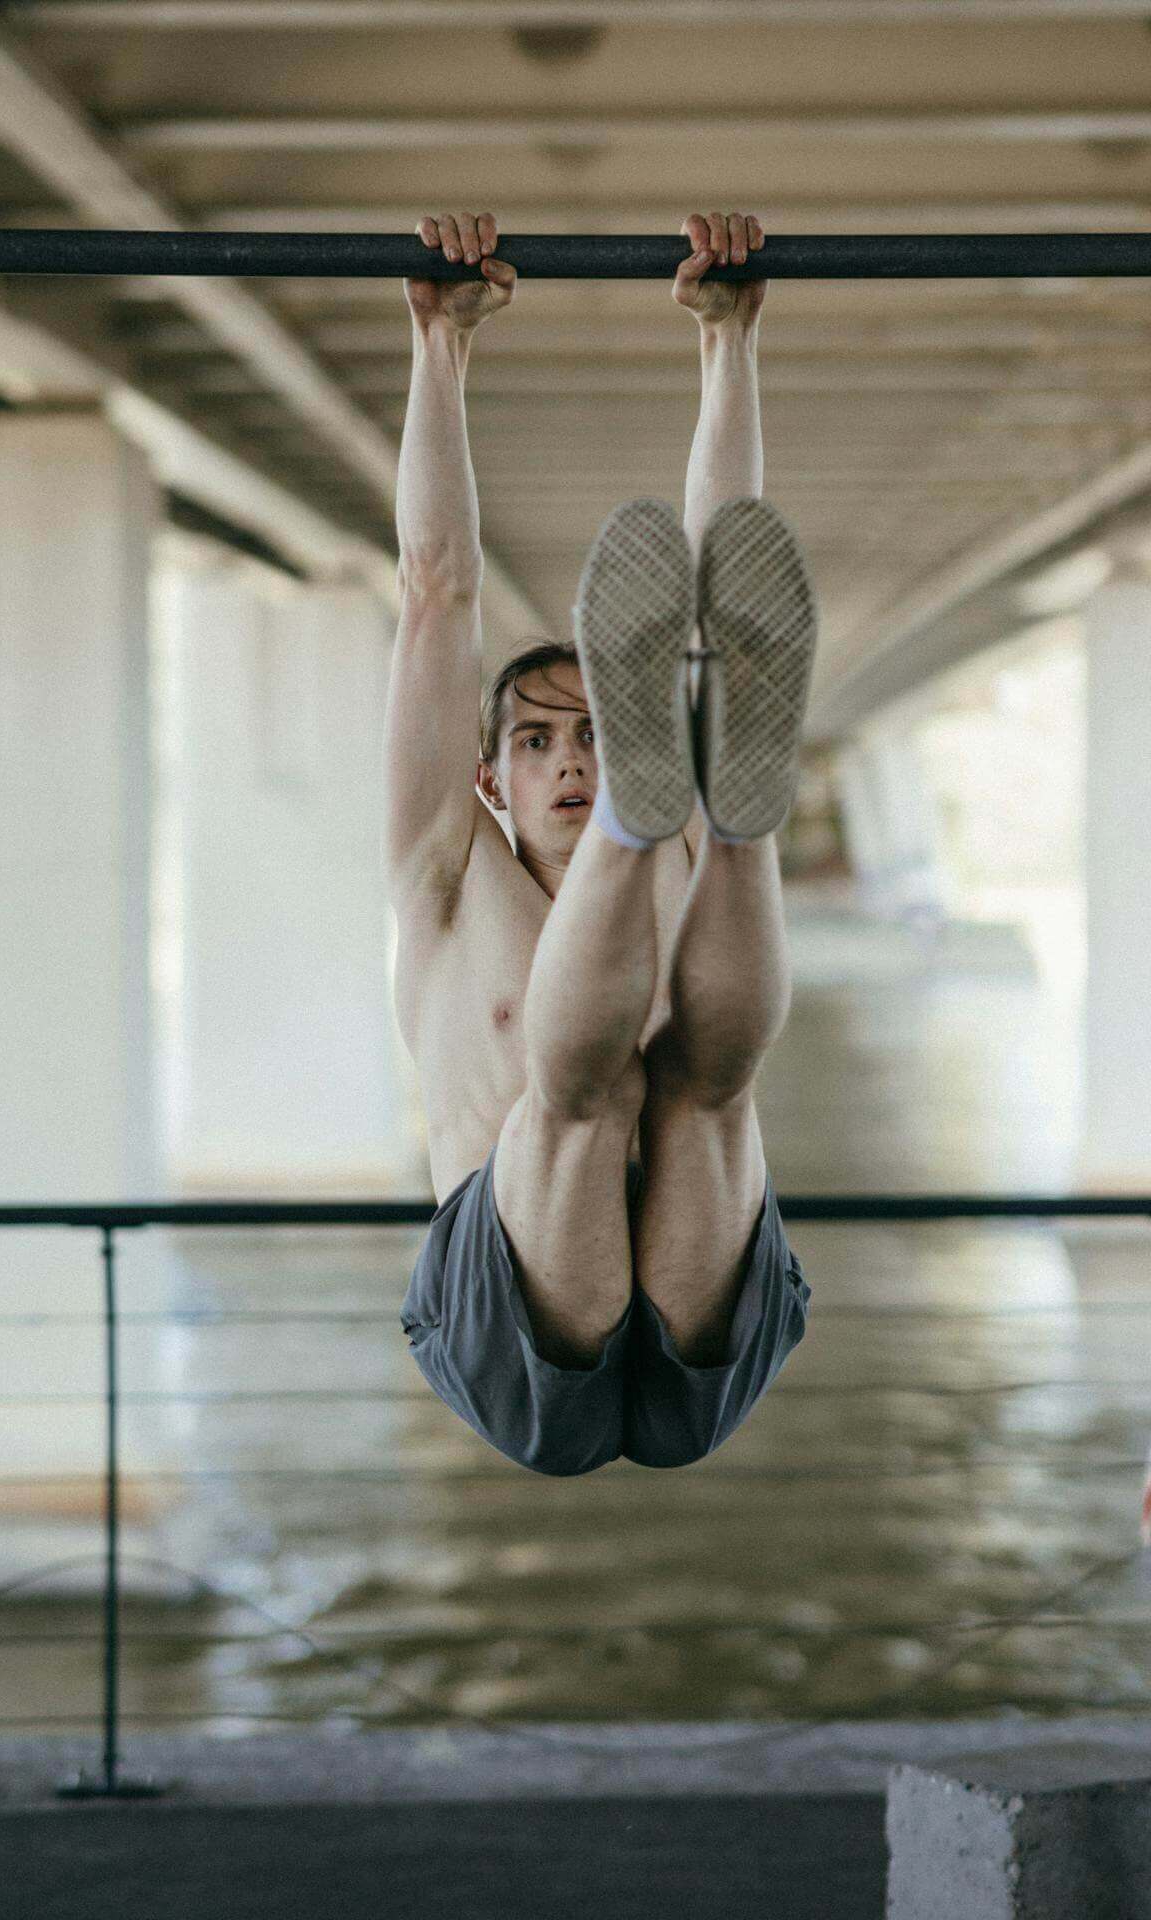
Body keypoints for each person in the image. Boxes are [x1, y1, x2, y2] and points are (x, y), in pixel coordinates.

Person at [387, 208, 817, 1476]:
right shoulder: (443, 874)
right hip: (505, 1312)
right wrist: (436, 347)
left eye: (595, 737)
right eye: (538, 742)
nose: (567, 756)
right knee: (582, 1092)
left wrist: (727, 341)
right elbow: (433, 592)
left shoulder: (668, 858)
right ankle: (682, 797)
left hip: (704, 1274)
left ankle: (723, 817)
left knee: (700, 1081)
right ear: (488, 781)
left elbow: (721, 568)